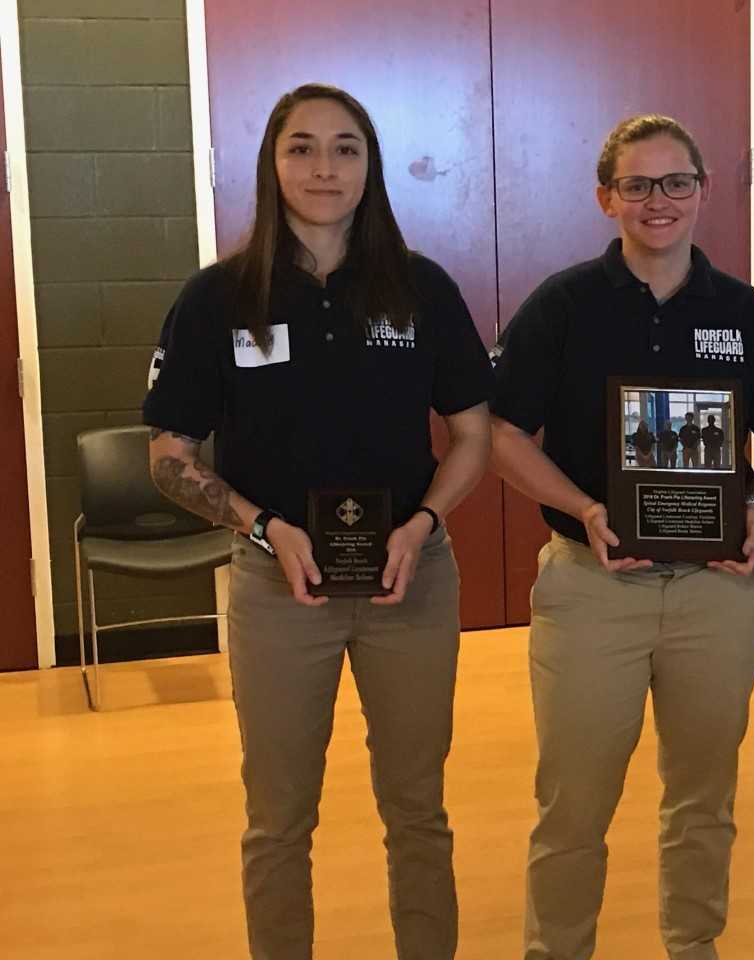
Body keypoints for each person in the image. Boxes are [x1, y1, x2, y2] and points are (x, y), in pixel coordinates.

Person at [142, 83, 493, 960]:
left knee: (417, 809)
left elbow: (473, 435)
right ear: (271, 163)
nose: (323, 167)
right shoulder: (218, 298)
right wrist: (265, 529)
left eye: (345, 148)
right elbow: (168, 454)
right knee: (278, 819)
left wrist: (422, 523)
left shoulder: (422, 288)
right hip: (276, 588)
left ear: (371, 167)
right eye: (301, 147)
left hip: (407, 582)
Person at [489, 114, 754, 960]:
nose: (657, 201)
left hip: (718, 592)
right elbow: (503, 435)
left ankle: (692, 947)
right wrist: (586, 509)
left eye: (675, 183)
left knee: (703, 799)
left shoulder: (743, 314)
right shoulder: (561, 308)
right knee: (573, 806)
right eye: (637, 185)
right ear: (607, 199)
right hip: (591, 589)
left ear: (704, 192)